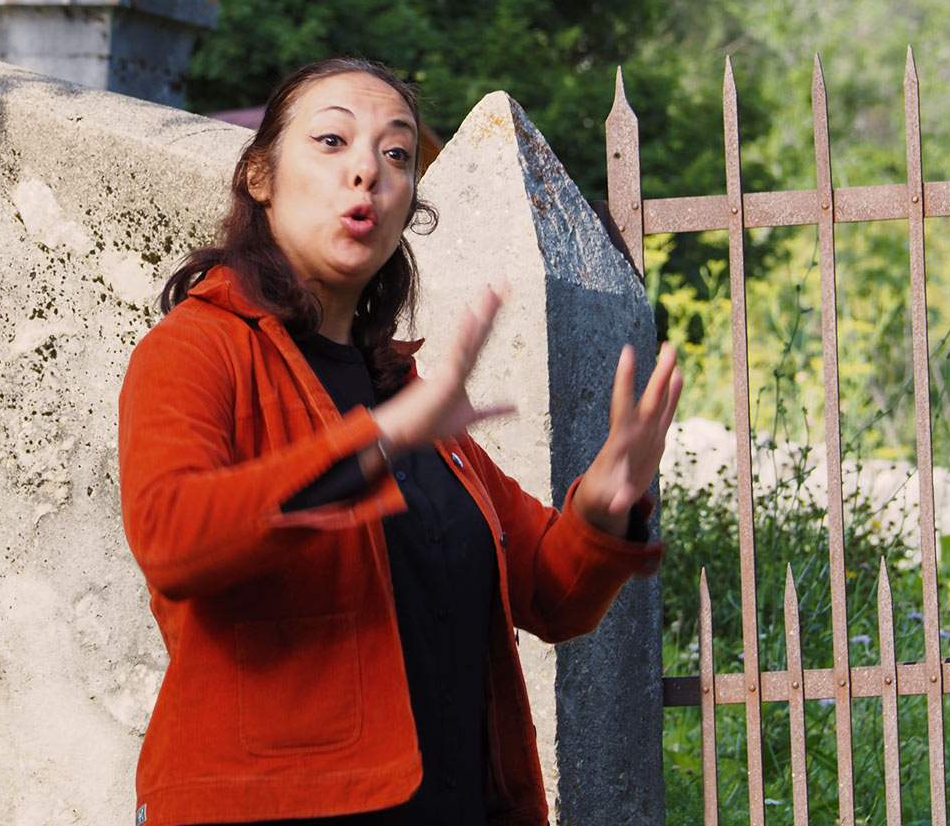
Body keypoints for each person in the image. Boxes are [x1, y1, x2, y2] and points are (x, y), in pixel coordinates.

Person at [117, 57, 681, 826]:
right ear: (259, 175)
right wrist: (380, 439)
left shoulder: (401, 392)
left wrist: (607, 504)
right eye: (332, 141)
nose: (368, 172)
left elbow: (551, 592)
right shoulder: (197, 348)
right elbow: (171, 537)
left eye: (396, 153)